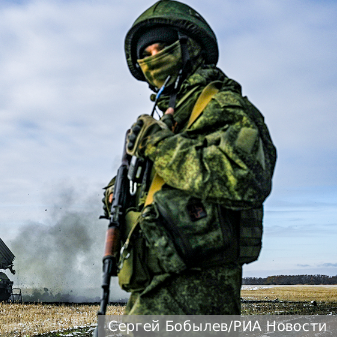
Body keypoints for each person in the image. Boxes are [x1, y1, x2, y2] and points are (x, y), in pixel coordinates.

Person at [102, 0, 277, 315]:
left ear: (189, 48)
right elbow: (163, 193)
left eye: (163, 48)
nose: (155, 59)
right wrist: (119, 194)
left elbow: (245, 178)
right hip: (151, 293)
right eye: (146, 54)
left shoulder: (221, 105)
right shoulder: (170, 118)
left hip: (196, 300)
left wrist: (158, 145)